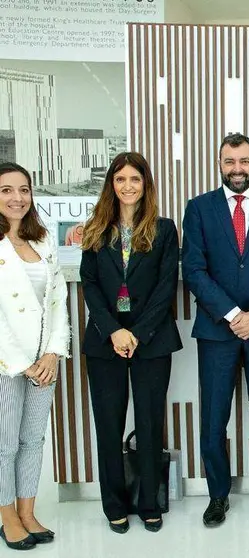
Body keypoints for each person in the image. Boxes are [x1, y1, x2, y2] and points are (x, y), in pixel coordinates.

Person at [182, 133, 249, 527]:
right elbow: (193, 270)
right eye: (230, 161)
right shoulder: (198, 209)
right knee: (214, 417)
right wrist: (231, 313)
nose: (238, 169)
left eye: (244, 161)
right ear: (219, 164)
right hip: (216, 331)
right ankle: (217, 496)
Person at [80, 152, 182, 533]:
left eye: (134, 180)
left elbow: (165, 286)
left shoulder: (164, 229)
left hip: (151, 340)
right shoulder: (95, 228)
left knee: (150, 422)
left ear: (145, 184)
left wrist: (137, 333)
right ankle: (113, 504)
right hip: (105, 340)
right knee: (108, 425)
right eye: (120, 179)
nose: (127, 186)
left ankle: (149, 502)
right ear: (111, 184)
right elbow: (89, 284)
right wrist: (114, 331)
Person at [0, 162, 69, 550]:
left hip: (45, 362)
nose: (17, 198)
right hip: (7, 364)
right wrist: (22, 362)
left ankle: (27, 511)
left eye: (23, 190)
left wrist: (54, 353)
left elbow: (57, 300)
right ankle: (7, 515)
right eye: (7, 190)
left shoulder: (42, 240)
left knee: (33, 440)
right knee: (5, 443)